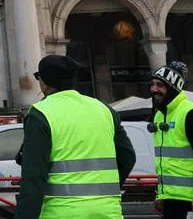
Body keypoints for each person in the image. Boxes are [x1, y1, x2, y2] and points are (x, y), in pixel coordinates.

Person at [14, 55, 136, 219]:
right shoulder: (104, 109)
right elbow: (127, 157)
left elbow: (33, 178)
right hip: (107, 211)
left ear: (44, 82)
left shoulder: (40, 114)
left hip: (61, 213)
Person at [150, 61, 193, 218]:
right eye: (153, 84)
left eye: (160, 85)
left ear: (173, 87)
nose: (154, 89)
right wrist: (161, 195)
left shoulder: (192, 114)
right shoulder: (160, 115)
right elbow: (166, 163)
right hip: (173, 200)